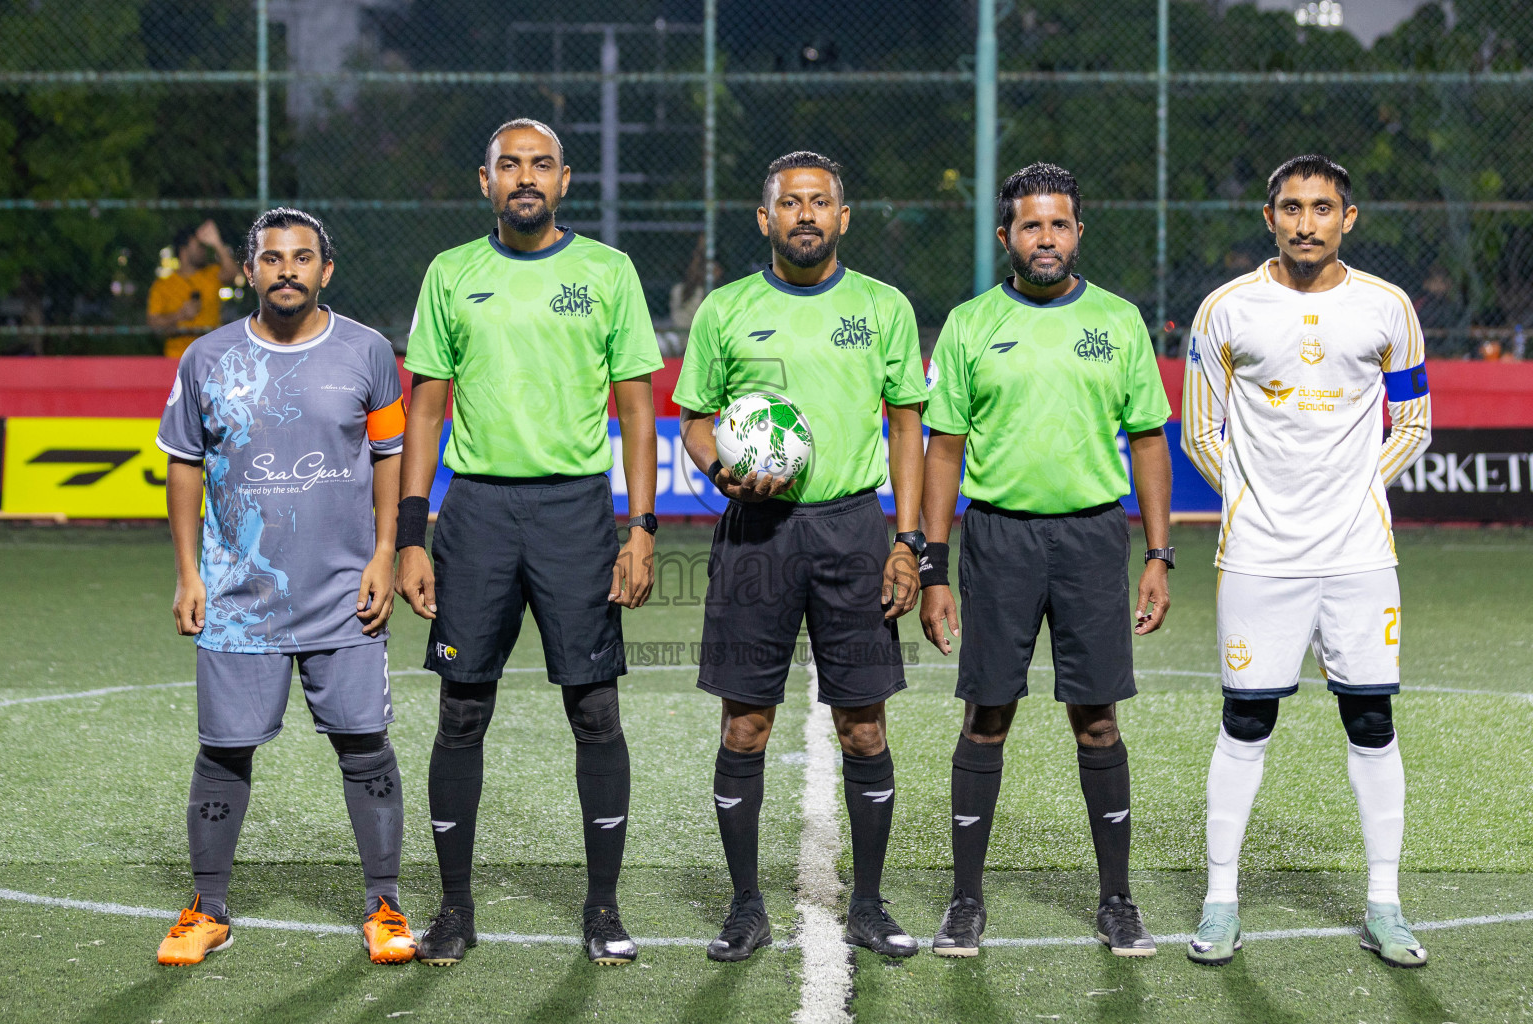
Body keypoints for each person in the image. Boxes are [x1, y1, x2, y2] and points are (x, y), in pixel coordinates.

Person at [395, 118, 662, 967]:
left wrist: (642, 527)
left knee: (594, 709)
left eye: (540, 164)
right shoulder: (451, 274)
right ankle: (455, 910)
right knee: (462, 707)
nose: (525, 177)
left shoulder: (607, 272)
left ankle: (603, 909)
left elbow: (634, 407)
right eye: (509, 164)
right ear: (485, 181)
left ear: (565, 179)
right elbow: (426, 411)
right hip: (474, 516)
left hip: (575, 515)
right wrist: (410, 534)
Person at [675, 151, 927, 962]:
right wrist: (724, 471)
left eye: (821, 203)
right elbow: (696, 420)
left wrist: (908, 541)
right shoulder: (725, 309)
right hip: (758, 532)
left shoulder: (883, 308)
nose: (807, 215)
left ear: (842, 218)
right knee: (746, 724)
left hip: (854, 529)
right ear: (766, 218)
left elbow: (907, 428)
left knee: (862, 725)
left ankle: (870, 903)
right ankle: (746, 906)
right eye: (791, 204)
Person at [1181, 154, 1432, 968]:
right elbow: (1200, 433)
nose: (1305, 222)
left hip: (1360, 554)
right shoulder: (1225, 310)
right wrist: (1255, 505)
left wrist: (1354, 493)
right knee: (1246, 720)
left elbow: (1413, 423)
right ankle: (1222, 904)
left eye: (1322, 208)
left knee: (1371, 720)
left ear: (1347, 219)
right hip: (1260, 556)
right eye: (1291, 207)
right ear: (1270, 218)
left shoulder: (1388, 309)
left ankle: (1385, 903)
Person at [919, 162, 1172, 959]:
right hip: (997, 539)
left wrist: (1159, 554)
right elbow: (944, 449)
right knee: (987, 714)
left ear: (1078, 233)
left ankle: (1118, 902)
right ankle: (965, 903)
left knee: (1096, 718)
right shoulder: (968, 324)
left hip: (1095, 539)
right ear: (1006, 237)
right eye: (1031, 225)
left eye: (1059, 224)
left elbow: (1148, 441)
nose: (1046, 239)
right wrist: (932, 565)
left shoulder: (1120, 322)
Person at [153, 208, 413, 966]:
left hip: (343, 592)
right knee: (224, 750)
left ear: (325, 271)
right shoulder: (206, 357)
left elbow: (391, 451)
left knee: (365, 746)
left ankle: (386, 905)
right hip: (239, 596)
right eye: (272, 258)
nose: (287, 270)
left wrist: (386, 552)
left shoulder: (368, 352)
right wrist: (188, 573)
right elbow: (183, 464)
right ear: (250, 271)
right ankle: (208, 907)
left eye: (303, 258)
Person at [148, 220, 239, 359]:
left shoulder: (212, 274)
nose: (203, 250)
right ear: (183, 251)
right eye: (199, 246)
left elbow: (232, 274)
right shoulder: (162, 285)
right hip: (177, 357)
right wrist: (180, 315)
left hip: (211, 356)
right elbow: (153, 323)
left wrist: (217, 242)